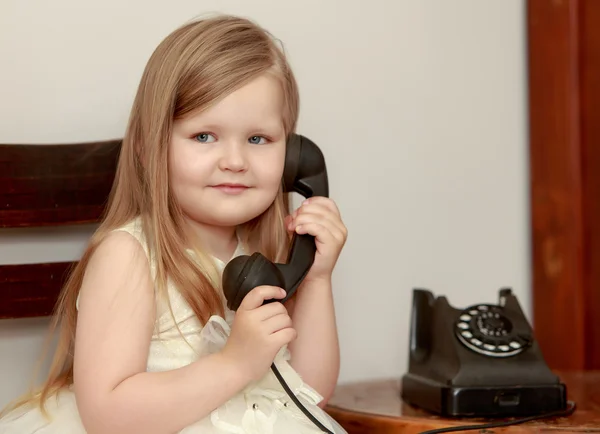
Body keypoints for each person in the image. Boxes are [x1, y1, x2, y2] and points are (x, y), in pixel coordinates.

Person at [0, 14, 348, 434]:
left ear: (293, 158)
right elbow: (106, 416)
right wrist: (234, 364)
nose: (235, 161)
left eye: (258, 139)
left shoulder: (262, 261)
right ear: (150, 149)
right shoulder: (129, 256)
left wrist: (317, 279)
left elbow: (310, 394)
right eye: (204, 136)